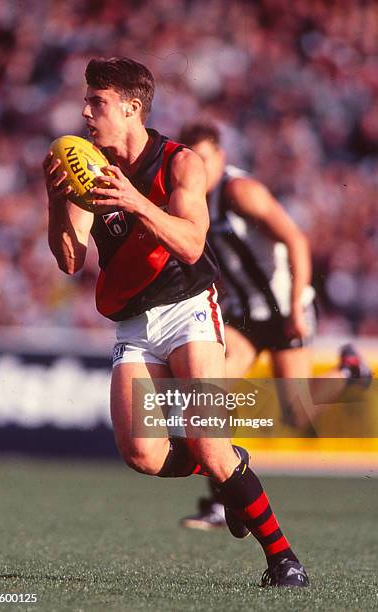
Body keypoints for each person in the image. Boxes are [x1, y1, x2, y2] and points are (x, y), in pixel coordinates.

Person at [43, 57, 309, 587]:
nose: (85, 111)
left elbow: (191, 243)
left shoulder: (181, 163)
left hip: (190, 308)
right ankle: (233, 476)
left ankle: (283, 559)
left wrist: (134, 201)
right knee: (141, 454)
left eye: (97, 102)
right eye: (86, 100)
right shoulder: (86, 166)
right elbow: (70, 260)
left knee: (208, 444)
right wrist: (57, 203)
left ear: (131, 108)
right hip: (133, 325)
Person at [177, 122, 372, 531]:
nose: (201, 168)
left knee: (297, 412)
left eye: (207, 159)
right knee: (213, 395)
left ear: (222, 158)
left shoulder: (240, 192)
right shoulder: (189, 197)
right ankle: (221, 498)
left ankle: (349, 370)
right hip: (243, 316)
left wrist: (299, 302)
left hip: (283, 311)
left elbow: (296, 240)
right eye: (194, 160)